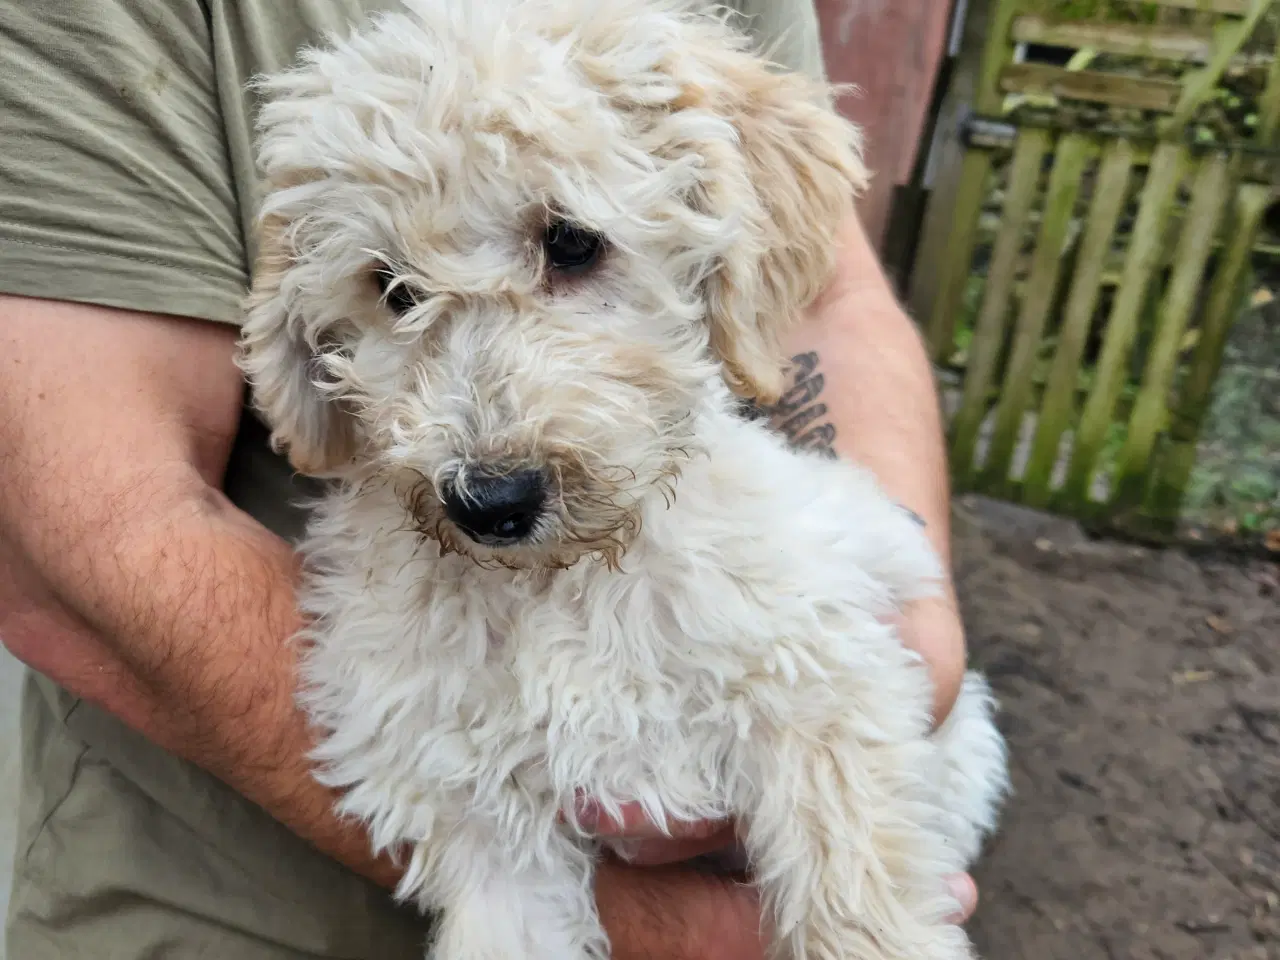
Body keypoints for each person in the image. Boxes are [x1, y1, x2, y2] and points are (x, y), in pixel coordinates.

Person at [0, 0, 976, 957]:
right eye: (397, 291)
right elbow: (83, 539)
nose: (486, 457)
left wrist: (914, 640)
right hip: (216, 912)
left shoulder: (753, 552)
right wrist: (704, 938)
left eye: (571, 248)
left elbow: (829, 294)